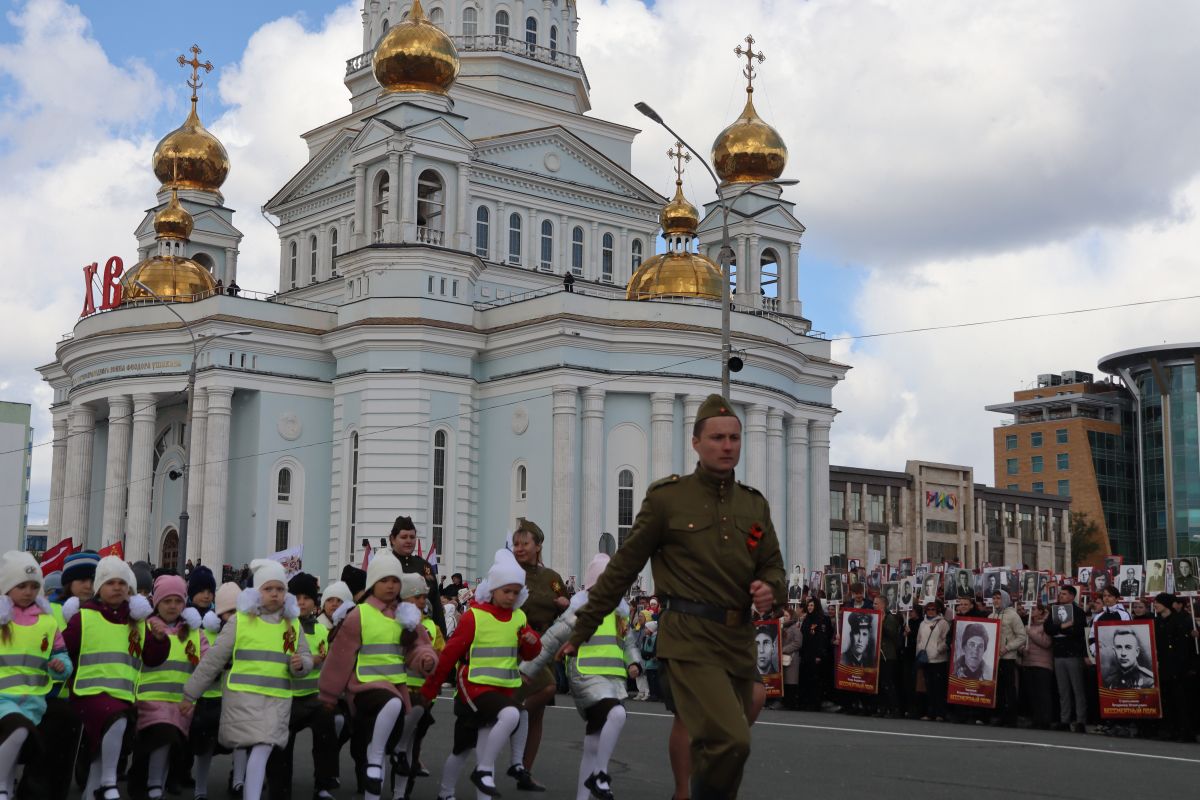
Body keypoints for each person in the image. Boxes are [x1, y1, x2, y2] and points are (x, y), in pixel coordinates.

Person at [559, 394, 785, 800]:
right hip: (689, 637)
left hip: (738, 640)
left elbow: (773, 566)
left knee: (726, 738)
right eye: (717, 437)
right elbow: (623, 567)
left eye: (734, 438)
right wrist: (585, 625)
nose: (727, 445)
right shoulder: (668, 499)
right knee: (733, 740)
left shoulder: (753, 504)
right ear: (696, 442)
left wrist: (772, 590)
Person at [181, 559, 313, 800]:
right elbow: (213, 661)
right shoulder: (240, 621)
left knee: (262, 749)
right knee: (260, 748)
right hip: (244, 700)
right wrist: (191, 694)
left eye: (280, 589)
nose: (275, 594)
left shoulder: (291, 623)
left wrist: (301, 664)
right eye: (268, 589)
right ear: (257, 592)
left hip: (277, 701)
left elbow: (304, 656)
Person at [421, 548, 541, 799]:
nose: (510, 597)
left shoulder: (518, 616)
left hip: (501, 691)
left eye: (515, 592)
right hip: (474, 689)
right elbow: (450, 654)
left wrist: (531, 642)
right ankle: (450, 789)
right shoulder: (474, 616)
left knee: (485, 745)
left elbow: (531, 654)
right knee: (465, 747)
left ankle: (478, 777)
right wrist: (431, 687)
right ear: (492, 590)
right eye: (505, 591)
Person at [520, 553, 642, 800]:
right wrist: (528, 669)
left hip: (614, 680)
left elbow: (627, 641)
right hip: (585, 677)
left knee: (594, 740)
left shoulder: (620, 613)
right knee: (617, 714)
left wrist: (634, 662)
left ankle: (583, 795)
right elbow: (552, 640)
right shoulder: (579, 610)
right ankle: (600, 774)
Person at [316, 553, 435, 800]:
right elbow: (340, 657)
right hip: (364, 689)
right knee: (389, 710)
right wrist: (328, 694)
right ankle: (374, 759)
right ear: (373, 583)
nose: (390, 585)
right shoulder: (360, 614)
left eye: (395, 580)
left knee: (379, 739)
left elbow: (418, 647)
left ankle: (374, 772)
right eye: (384, 580)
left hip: (394, 688)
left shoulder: (406, 616)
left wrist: (426, 659)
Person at [63, 556, 170, 800]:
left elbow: (152, 658)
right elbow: (64, 648)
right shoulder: (85, 617)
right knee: (116, 721)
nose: (117, 587)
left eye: (122, 583)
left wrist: (161, 640)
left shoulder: (137, 622)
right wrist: (60, 665)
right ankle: (109, 783)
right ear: (99, 587)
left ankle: (91, 792)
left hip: (123, 695)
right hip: (89, 694)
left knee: (101, 749)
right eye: (110, 582)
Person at [0, 551, 72, 799]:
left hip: (34, 702)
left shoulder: (47, 622)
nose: (29, 592)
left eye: (34, 586)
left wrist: (59, 666)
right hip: (2, 701)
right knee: (17, 731)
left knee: (18, 741)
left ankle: (7, 788)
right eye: (21, 586)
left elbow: (61, 655)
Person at [505, 518, 569, 792]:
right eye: (516, 544)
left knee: (537, 714)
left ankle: (524, 771)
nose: (519, 548)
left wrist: (564, 604)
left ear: (538, 546)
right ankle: (507, 715)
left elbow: (566, 609)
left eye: (524, 544)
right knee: (546, 689)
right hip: (515, 643)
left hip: (544, 643)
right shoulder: (507, 572)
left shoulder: (551, 578)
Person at [129, 574, 205, 800]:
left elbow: (208, 663)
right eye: (167, 601)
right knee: (163, 737)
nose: (173, 606)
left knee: (165, 744)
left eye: (178, 601)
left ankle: (151, 783)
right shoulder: (145, 628)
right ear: (156, 603)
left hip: (180, 703)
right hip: (148, 700)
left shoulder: (194, 633)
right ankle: (153, 785)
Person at [266, 572, 339, 800]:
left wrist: (318, 661)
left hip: (312, 697)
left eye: (307, 597)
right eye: (297, 596)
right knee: (281, 748)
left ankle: (324, 784)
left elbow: (328, 662)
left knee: (327, 729)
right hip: (286, 697)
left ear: (314, 602)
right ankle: (280, 788)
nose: (301, 602)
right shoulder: (281, 626)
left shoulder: (320, 631)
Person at [389, 516, 447, 635]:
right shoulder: (385, 565)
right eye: (404, 537)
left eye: (412, 537)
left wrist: (442, 637)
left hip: (424, 634)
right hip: (393, 631)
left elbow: (436, 605)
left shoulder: (424, 567)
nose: (409, 541)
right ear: (393, 539)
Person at [1152, 593, 1194, 742]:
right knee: (1166, 700)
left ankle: (1184, 730)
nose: (1155, 605)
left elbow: (1183, 647)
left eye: (1158, 602)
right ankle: (1168, 729)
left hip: (1177, 667)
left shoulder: (1180, 620)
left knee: (1180, 700)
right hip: (1162, 666)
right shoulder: (1156, 622)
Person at [989, 590, 1026, 726]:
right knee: (997, 688)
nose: (996, 600)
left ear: (1004, 599)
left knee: (1009, 688)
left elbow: (1021, 636)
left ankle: (1011, 717)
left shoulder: (1013, 615)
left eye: (998, 598)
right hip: (993, 658)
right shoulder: (991, 615)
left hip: (1007, 657)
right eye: (994, 598)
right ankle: (998, 715)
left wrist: (1007, 647)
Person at [1022, 604, 1055, 729]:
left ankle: (1045, 720)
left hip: (1042, 663)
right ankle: (1035, 719)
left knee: (1043, 693)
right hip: (1028, 661)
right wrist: (1022, 649)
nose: (1031, 611)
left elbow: (1046, 643)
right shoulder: (1028, 624)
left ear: (1041, 611)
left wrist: (1030, 633)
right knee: (1032, 693)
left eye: (1034, 609)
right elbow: (1023, 641)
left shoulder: (1046, 625)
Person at [916, 601, 949, 721]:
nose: (930, 611)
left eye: (933, 609)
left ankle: (940, 713)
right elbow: (919, 640)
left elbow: (946, 640)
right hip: (925, 660)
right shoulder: (922, 623)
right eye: (928, 609)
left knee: (938, 688)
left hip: (938, 660)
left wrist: (938, 650)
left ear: (938, 610)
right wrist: (918, 653)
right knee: (928, 688)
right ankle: (930, 712)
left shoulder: (943, 623)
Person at [798, 598, 833, 711]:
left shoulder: (822, 619)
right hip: (806, 653)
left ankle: (815, 702)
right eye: (808, 606)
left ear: (816, 606)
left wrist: (819, 655)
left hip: (816, 654)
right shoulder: (807, 619)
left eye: (812, 605)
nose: (809, 608)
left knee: (815, 680)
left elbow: (822, 639)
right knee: (805, 678)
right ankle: (805, 701)